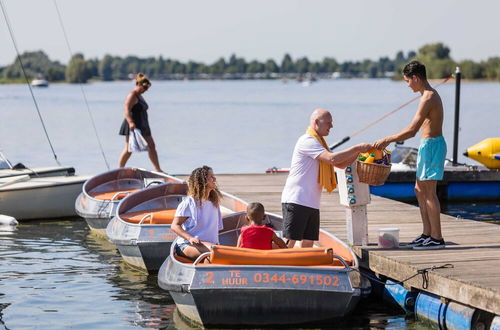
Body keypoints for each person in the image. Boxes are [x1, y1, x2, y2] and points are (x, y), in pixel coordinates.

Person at [373, 60, 447, 250]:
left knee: (429, 192)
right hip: (426, 145)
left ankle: (437, 238)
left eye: (407, 81)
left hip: (432, 146)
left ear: (415, 78)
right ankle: (427, 234)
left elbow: (412, 130)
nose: (407, 85)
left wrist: (388, 139)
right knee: (419, 190)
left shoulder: (428, 97)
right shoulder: (425, 95)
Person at [281, 109, 372, 248]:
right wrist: (356, 148)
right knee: (290, 241)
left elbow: (340, 164)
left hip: (311, 202)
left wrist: (359, 152)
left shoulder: (320, 143)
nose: (331, 126)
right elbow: (332, 158)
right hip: (297, 199)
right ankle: (281, 266)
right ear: (316, 122)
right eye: (328, 123)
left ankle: (304, 268)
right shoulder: (307, 141)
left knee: (308, 242)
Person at [171, 166, 223, 260]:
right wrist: (190, 238)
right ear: (202, 181)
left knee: (217, 254)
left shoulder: (214, 203)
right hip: (188, 245)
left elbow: (216, 230)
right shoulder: (190, 202)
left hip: (209, 246)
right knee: (213, 253)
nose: (214, 179)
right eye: (211, 176)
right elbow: (175, 226)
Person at [118, 73, 163, 172]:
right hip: (134, 126)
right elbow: (126, 110)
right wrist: (130, 122)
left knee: (152, 146)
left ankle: (158, 169)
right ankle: (119, 170)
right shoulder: (132, 95)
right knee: (128, 149)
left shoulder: (139, 95)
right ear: (138, 84)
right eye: (144, 88)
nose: (146, 90)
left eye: (147, 88)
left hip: (143, 125)